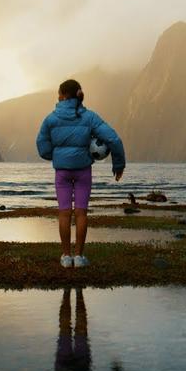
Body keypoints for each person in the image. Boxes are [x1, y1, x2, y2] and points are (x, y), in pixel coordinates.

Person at [36, 79, 126, 268]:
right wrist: (118, 164)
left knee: (64, 213)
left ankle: (66, 257)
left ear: (61, 94)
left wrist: (56, 156)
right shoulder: (90, 117)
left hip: (62, 173)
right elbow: (113, 139)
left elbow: (42, 145)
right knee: (81, 212)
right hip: (83, 170)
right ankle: (79, 257)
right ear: (78, 94)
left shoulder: (50, 119)